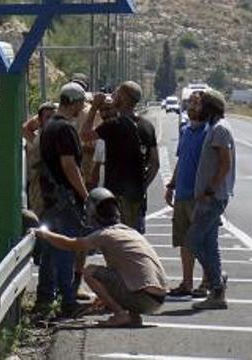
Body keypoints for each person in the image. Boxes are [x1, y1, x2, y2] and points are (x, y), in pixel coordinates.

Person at [35, 188, 169, 328]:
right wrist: (106, 295)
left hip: (144, 298)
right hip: (158, 298)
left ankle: (120, 314)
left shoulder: (104, 234)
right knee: (110, 274)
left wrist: (45, 234)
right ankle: (132, 317)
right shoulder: (128, 231)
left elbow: (73, 245)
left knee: (90, 272)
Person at [35, 83, 90, 318]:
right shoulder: (65, 129)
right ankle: (68, 300)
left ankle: (45, 297)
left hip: (49, 197)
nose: (82, 108)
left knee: (49, 249)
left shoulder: (48, 127)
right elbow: (69, 165)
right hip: (65, 198)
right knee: (67, 248)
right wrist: (85, 195)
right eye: (81, 104)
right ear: (74, 102)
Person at [188, 88, 236, 310]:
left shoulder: (219, 130)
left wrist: (209, 190)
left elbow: (225, 164)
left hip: (212, 198)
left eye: (201, 105)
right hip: (209, 197)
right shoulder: (213, 128)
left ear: (210, 107)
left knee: (193, 240)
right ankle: (217, 287)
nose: (197, 108)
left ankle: (216, 285)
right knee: (209, 243)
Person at [95, 81, 159, 231]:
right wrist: (143, 186)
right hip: (137, 196)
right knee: (134, 241)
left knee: (116, 243)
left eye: (117, 93)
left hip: (115, 196)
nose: (114, 96)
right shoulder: (147, 126)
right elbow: (155, 163)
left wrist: (93, 108)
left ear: (123, 97)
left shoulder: (113, 124)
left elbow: (85, 135)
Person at [164, 90, 209, 298]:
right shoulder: (186, 130)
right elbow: (181, 160)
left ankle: (208, 280)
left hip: (199, 195)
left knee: (201, 240)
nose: (192, 107)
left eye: (196, 103)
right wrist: (171, 185)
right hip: (182, 193)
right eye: (190, 103)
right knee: (183, 241)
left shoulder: (209, 132)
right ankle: (187, 282)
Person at [23, 101, 57, 219]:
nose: (51, 120)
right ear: (40, 120)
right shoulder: (37, 138)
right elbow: (25, 128)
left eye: (54, 117)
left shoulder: (58, 135)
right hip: (38, 187)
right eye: (48, 117)